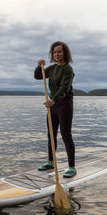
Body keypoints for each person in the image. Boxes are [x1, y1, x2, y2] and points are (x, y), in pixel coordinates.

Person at [34, 41, 76, 178]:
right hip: (52, 105)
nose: (57, 54)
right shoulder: (52, 69)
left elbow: (64, 88)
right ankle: (51, 162)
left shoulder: (68, 70)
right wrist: (39, 66)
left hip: (64, 104)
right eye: (55, 52)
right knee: (51, 134)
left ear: (65, 53)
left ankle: (71, 167)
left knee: (65, 134)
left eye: (59, 52)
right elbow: (38, 76)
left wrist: (54, 99)